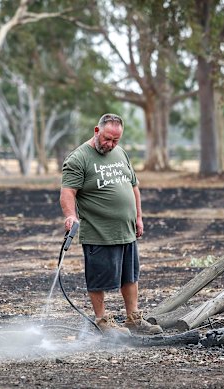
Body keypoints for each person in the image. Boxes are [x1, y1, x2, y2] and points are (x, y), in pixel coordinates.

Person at [60, 113, 163, 336]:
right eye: (107, 139)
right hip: (99, 232)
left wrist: (138, 217)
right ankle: (102, 320)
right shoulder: (79, 158)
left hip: (126, 229)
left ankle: (133, 319)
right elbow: (68, 192)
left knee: (130, 275)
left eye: (116, 140)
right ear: (97, 131)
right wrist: (70, 215)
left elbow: (133, 186)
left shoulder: (120, 153)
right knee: (99, 277)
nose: (110, 144)